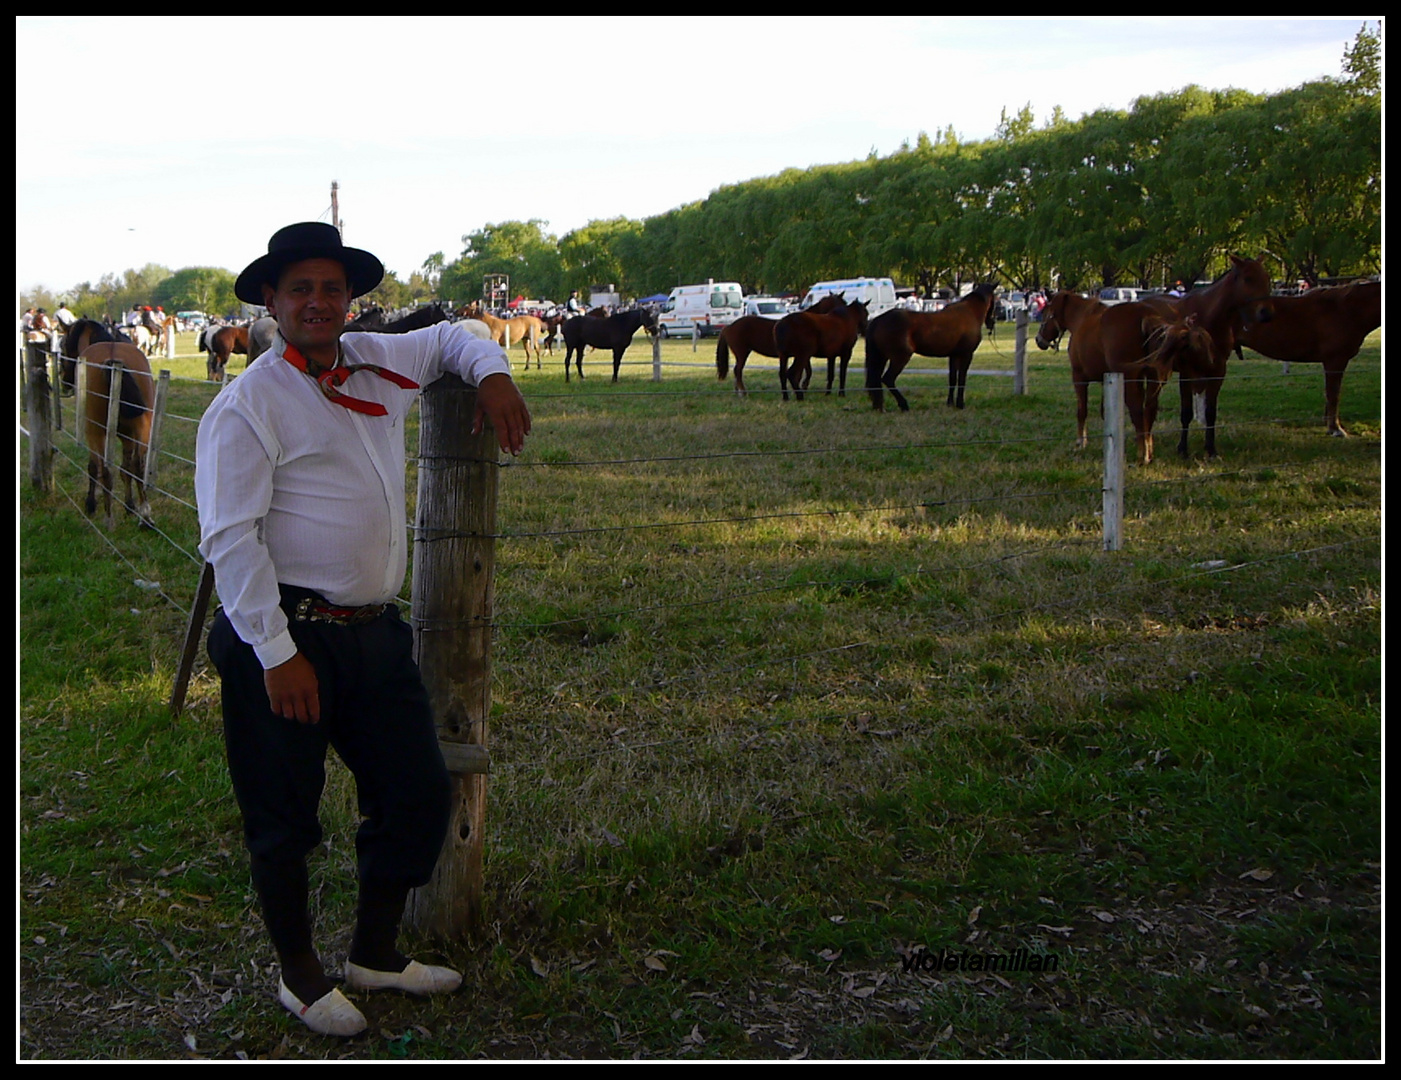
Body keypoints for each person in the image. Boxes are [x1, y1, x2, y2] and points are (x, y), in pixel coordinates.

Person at [195, 222, 531, 1038]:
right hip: (284, 635)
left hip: (373, 634)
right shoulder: (248, 404)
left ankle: (373, 953)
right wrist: (275, 654)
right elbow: (231, 538)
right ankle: (301, 976)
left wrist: (492, 373)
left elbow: (454, 334)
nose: (317, 302)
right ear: (270, 302)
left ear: (350, 301)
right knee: (284, 814)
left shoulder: (379, 359)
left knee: (415, 790)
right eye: (299, 289)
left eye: (331, 289)